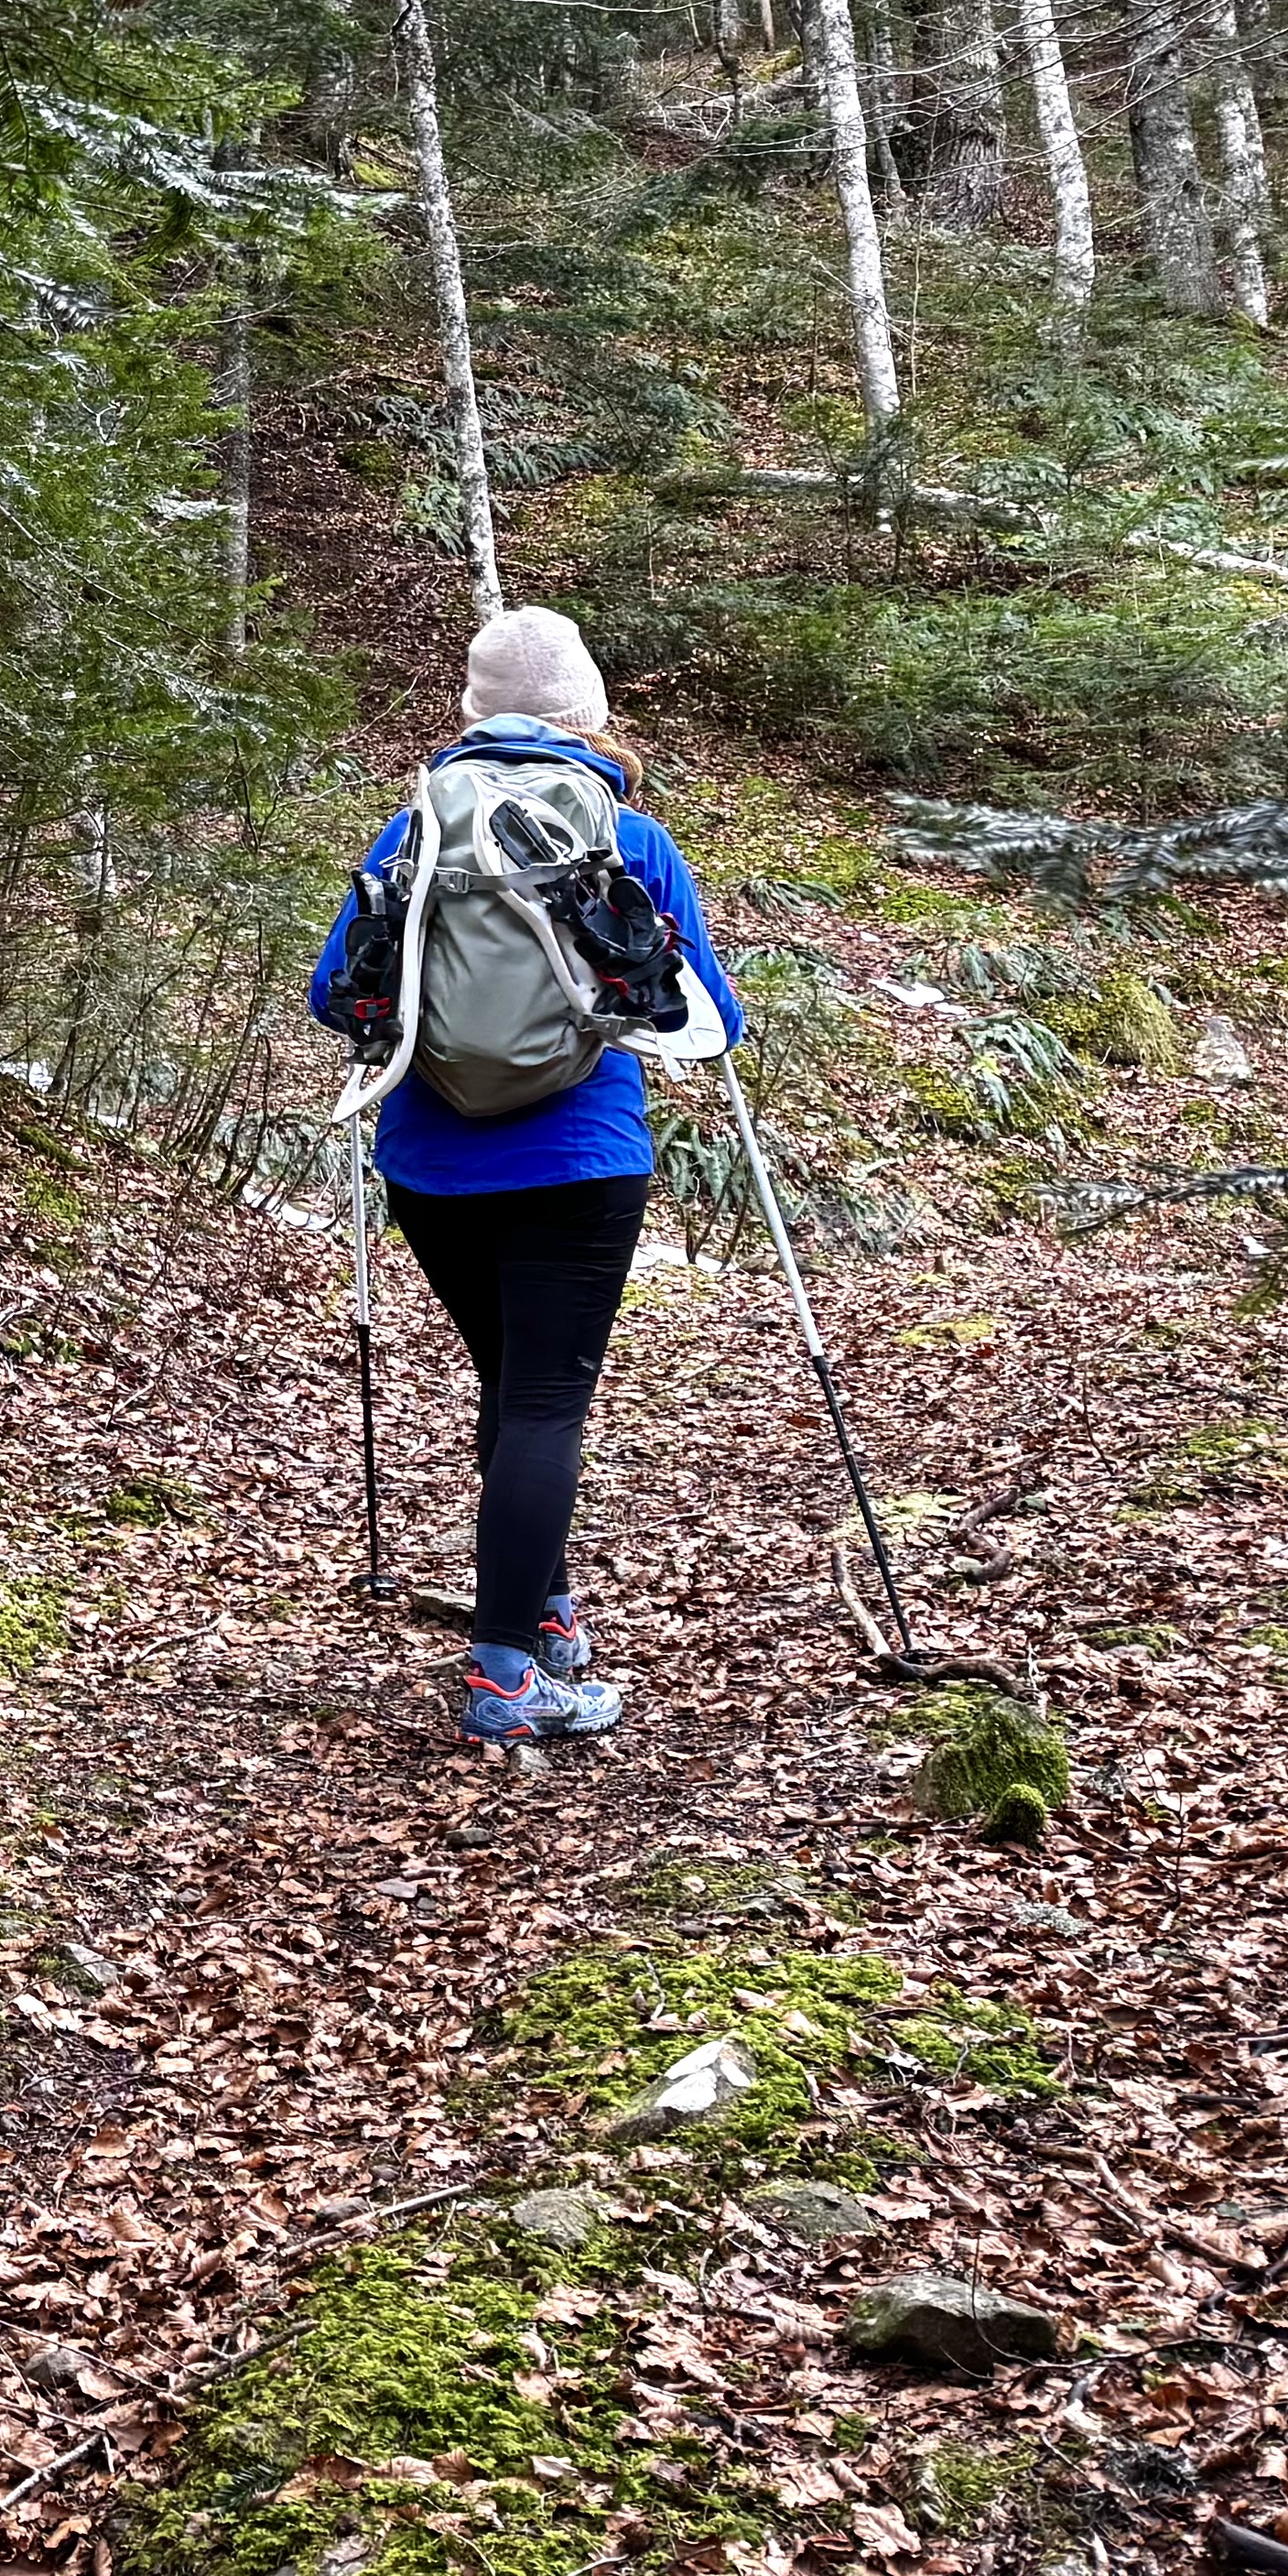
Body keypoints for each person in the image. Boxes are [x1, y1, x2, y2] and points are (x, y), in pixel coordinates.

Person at [302, 607, 744, 1747]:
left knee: (511, 1387)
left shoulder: (413, 833)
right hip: (577, 1159)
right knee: (546, 1401)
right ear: (585, 715)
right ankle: (503, 1676)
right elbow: (712, 1019)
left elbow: (331, 997)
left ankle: (541, 1615)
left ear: (470, 713)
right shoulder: (627, 841)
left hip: (430, 1163)